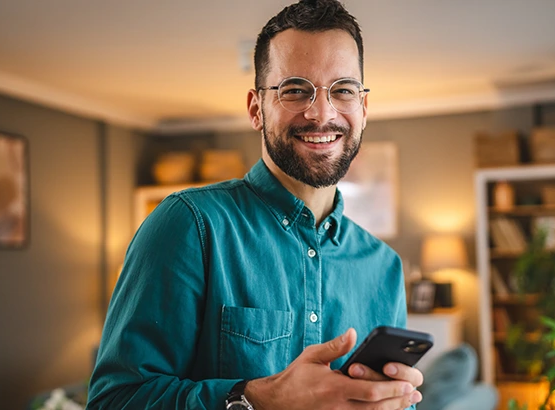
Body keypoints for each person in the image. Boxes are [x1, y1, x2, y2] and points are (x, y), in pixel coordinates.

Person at [86, 0, 423, 408]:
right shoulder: (188, 226)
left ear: (363, 109)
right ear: (255, 108)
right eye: (295, 90)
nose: (321, 113)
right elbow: (113, 401)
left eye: (344, 90)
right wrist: (256, 399)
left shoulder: (383, 268)